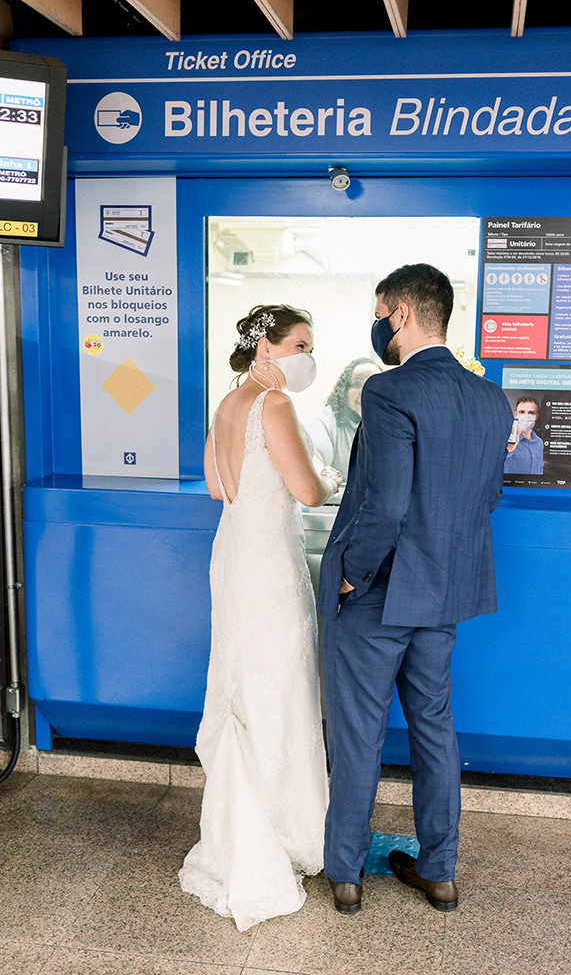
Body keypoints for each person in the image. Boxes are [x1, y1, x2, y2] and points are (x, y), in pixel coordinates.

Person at [318, 264, 513, 915]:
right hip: (443, 590)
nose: (377, 324)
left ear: (399, 313)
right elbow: (487, 497)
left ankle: (346, 874)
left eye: (379, 311)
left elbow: (386, 507)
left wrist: (352, 573)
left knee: (358, 734)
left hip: (377, 593)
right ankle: (440, 871)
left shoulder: (388, 390)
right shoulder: (491, 398)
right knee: (433, 727)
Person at [179, 304, 343, 932]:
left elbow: (220, 489)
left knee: (244, 681)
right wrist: (327, 476)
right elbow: (307, 491)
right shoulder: (275, 407)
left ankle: (237, 829)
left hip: (233, 553)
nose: (308, 356)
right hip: (270, 561)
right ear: (266, 348)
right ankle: (283, 833)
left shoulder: (227, 404)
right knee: (278, 686)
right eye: (301, 343)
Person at [304, 358, 381, 480]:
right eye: (357, 385)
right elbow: (312, 463)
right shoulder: (323, 421)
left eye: (373, 385)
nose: (365, 392)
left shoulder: (393, 422)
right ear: (344, 390)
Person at [504, 396, 544, 475]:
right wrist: (509, 449)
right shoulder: (506, 440)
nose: (526, 416)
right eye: (522, 412)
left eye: (531, 413)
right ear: (516, 415)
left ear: (536, 417)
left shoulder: (539, 442)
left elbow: (540, 469)